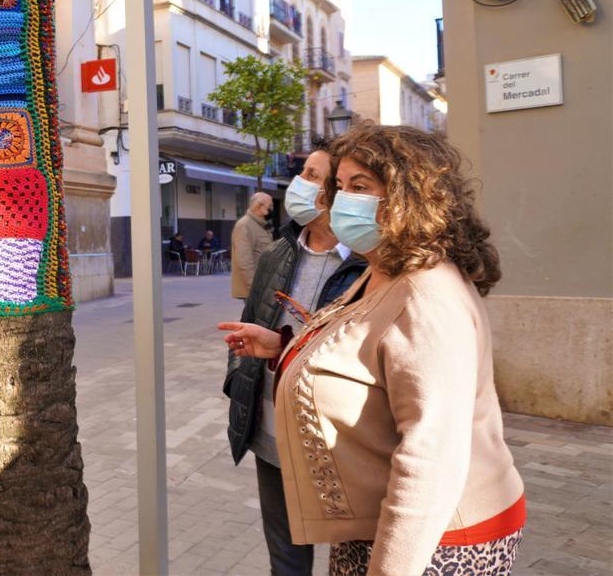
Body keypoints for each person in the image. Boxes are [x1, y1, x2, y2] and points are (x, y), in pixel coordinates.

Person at [219, 125, 525, 575]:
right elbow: (362, 351)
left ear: (411, 195)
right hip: (377, 519)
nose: (342, 201)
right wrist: (281, 347)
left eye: (360, 187)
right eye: (340, 187)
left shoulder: (426, 295)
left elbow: (431, 457)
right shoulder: (386, 268)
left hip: (441, 536)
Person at [222, 139, 366, 575]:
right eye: (304, 175)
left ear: (339, 194)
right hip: (271, 431)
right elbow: (251, 318)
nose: (301, 185)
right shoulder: (278, 252)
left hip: (339, 443)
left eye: (313, 177)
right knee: (285, 560)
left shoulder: (369, 263)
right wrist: (238, 385)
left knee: (353, 556)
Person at [231, 192, 274, 298]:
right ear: (260, 206)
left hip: (264, 285)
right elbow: (244, 262)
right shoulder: (245, 225)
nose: (272, 209)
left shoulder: (260, 225)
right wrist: (256, 288)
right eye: (270, 206)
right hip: (255, 289)